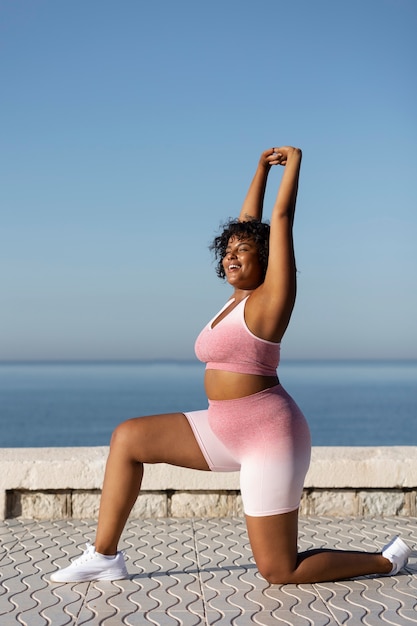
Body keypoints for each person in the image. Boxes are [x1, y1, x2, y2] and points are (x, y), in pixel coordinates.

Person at [50, 145, 412, 584]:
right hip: (222, 427)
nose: (231, 256)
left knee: (279, 570)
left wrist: (294, 167)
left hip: (269, 435)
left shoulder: (272, 301)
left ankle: (385, 561)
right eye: (227, 251)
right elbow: (249, 222)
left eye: (244, 251)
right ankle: (105, 557)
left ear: (267, 259)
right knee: (128, 438)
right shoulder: (234, 302)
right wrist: (259, 170)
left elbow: (278, 222)